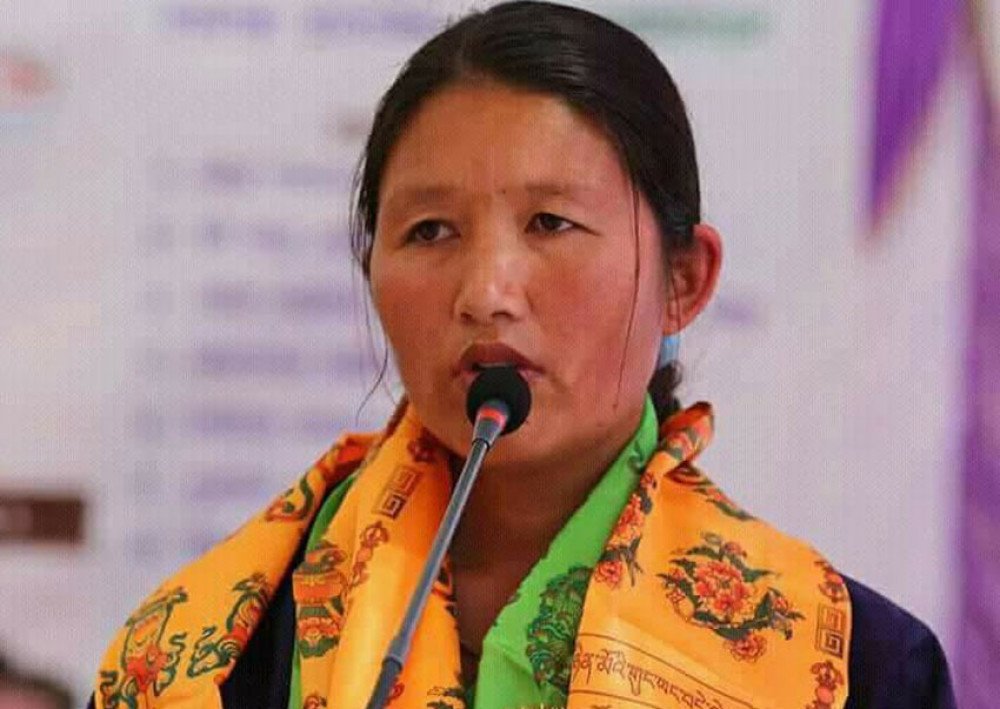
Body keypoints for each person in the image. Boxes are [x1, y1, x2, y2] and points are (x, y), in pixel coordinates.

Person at [90, 2, 956, 708]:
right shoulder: (216, 652)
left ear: (683, 280)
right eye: (430, 231)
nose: (486, 291)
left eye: (551, 223)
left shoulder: (858, 670)